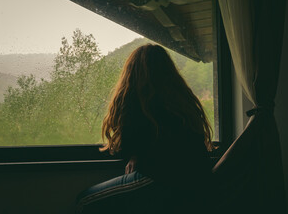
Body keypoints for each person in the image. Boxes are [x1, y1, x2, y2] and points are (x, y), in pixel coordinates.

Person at [77, 44, 215, 213]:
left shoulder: (140, 103)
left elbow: (127, 144)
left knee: (84, 202)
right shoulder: (180, 103)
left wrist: (136, 155)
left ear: (133, 74)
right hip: (196, 184)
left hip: (163, 179)